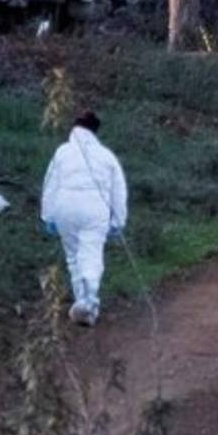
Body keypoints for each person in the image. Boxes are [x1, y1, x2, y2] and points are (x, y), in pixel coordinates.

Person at [40, 111, 128, 327]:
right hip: (94, 208)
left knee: (73, 256)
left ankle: (84, 304)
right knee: (91, 253)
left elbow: (50, 185)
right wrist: (118, 221)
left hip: (65, 206)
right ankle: (88, 298)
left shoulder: (62, 152)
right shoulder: (106, 156)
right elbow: (119, 190)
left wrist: (48, 216)